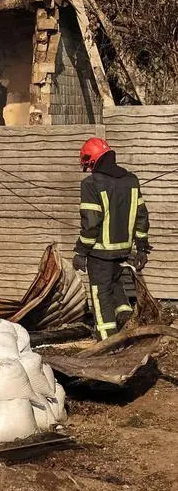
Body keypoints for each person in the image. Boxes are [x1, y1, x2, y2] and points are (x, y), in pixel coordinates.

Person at [74, 137, 151, 341]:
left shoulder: (90, 184)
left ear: (92, 161)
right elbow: (142, 215)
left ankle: (108, 341)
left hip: (99, 252)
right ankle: (127, 324)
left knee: (102, 295)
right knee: (117, 286)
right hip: (123, 251)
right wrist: (141, 247)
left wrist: (81, 251)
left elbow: (90, 223)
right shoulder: (131, 180)